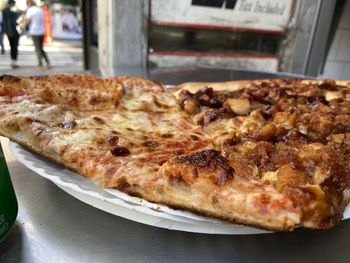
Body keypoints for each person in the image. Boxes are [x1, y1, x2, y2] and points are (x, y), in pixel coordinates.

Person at [25, 0, 50, 68]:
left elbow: (28, 21)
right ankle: (47, 61)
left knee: (37, 48)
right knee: (41, 48)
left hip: (34, 31)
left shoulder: (30, 10)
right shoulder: (40, 10)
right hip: (41, 31)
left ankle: (40, 63)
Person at [2, 0, 20, 68]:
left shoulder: (4, 11)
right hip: (14, 32)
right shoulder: (13, 12)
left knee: (12, 47)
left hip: (8, 32)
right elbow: (15, 22)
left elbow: (4, 22)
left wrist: (4, 32)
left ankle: (13, 62)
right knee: (14, 48)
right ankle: (14, 62)